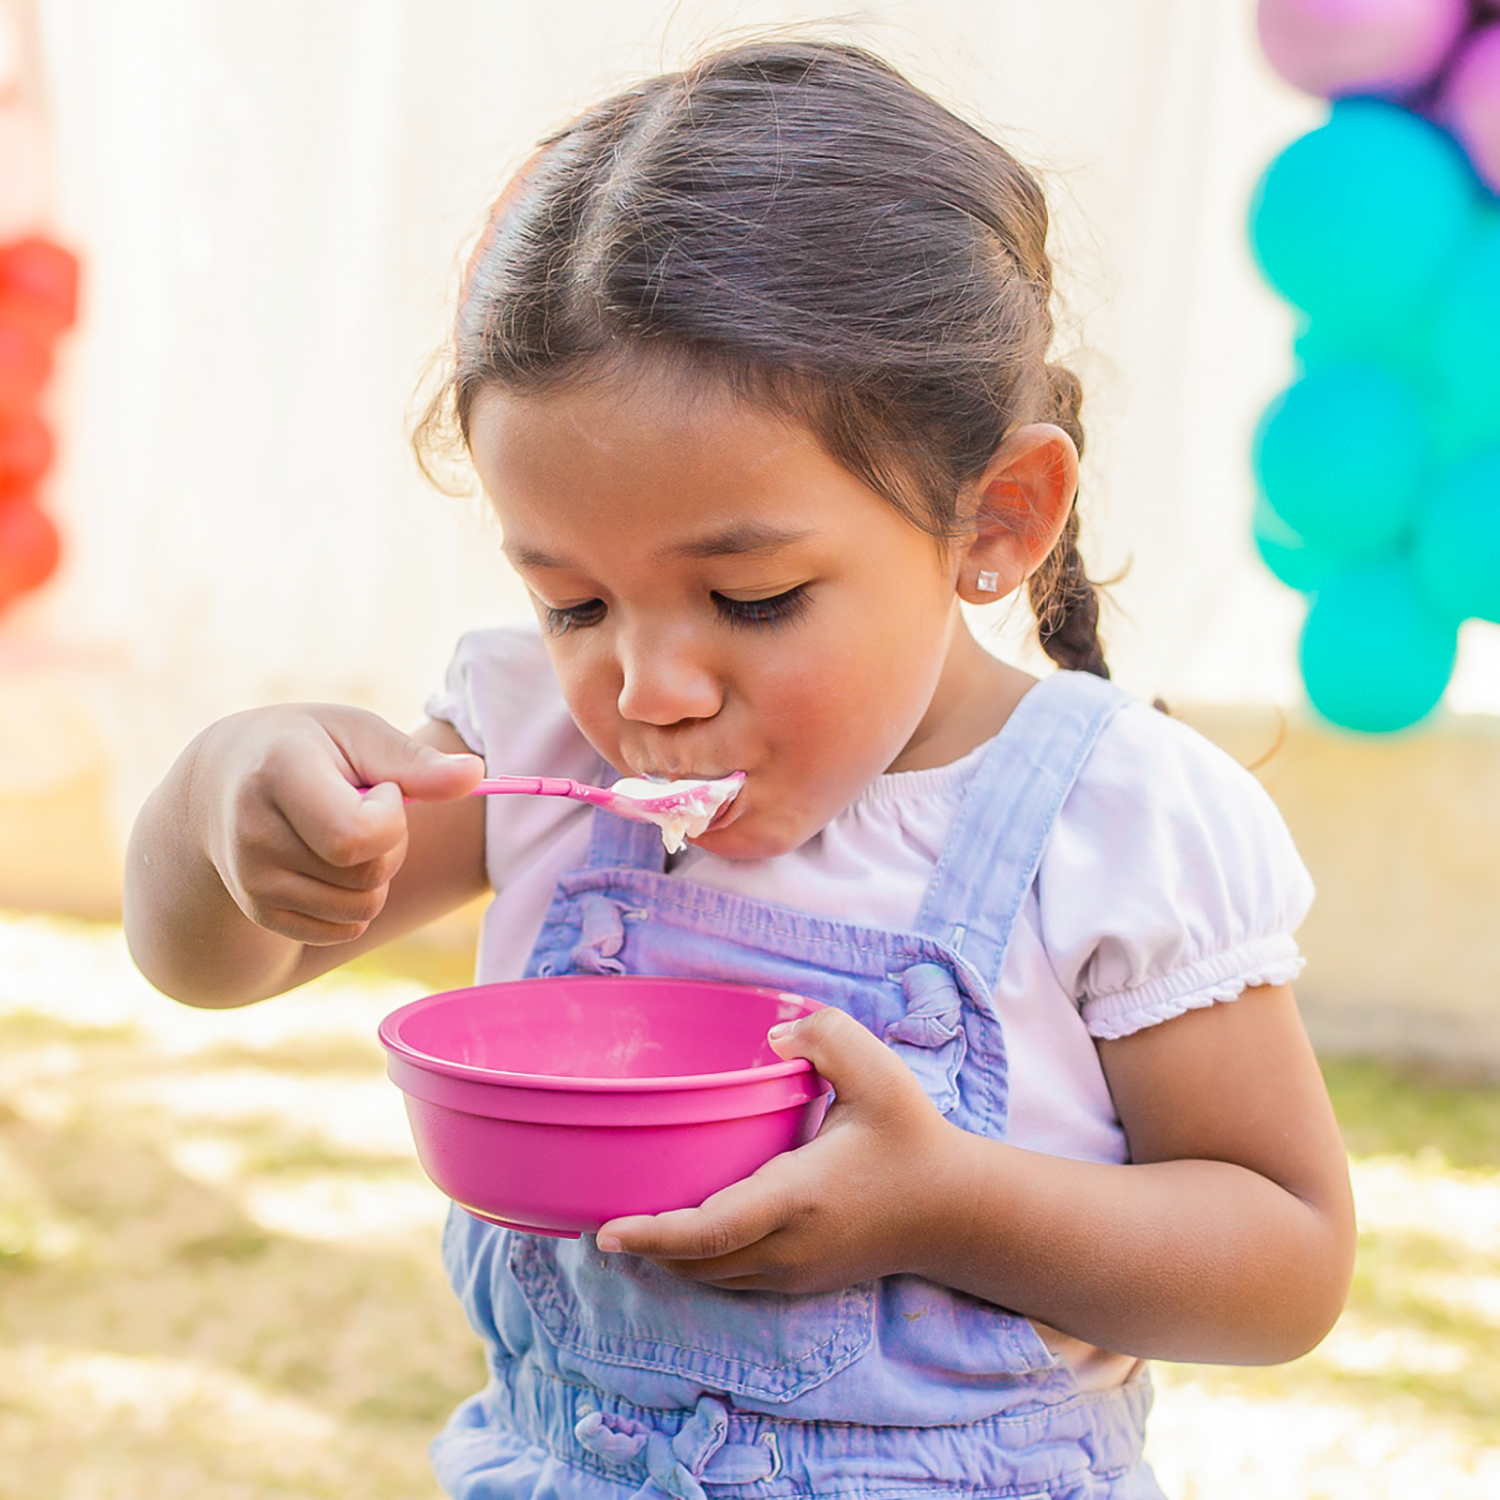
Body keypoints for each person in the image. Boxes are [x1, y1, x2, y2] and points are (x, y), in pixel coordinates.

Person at [124, 39, 1356, 1500]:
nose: (646, 689)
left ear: (998, 519)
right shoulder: (529, 742)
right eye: (573, 602)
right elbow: (211, 966)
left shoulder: (1115, 822)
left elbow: (1285, 1264)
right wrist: (228, 800)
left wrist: (950, 1209)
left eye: (753, 601)